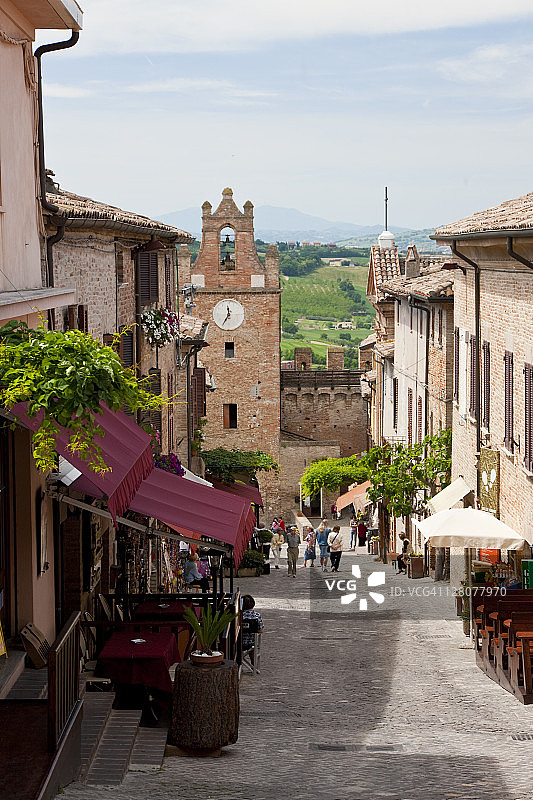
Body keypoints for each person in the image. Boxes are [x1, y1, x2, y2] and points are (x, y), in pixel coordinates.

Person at [241, 594, 264, 664]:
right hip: (251, 643)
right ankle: (254, 665)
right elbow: (261, 630)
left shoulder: (238, 616)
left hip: (238, 643)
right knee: (252, 645)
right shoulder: (257, 615)